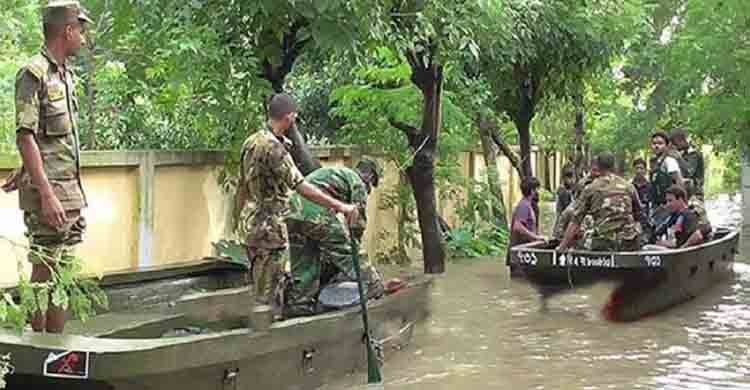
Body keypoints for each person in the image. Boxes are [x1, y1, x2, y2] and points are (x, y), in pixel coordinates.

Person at [237, 93, 359, 320]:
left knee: (258, 288)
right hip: (270, 229)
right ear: (289, 117)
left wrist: (239, 222)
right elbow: (301, 186)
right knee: (269, 296)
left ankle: (258, 333)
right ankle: (267, 342)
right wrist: (341, 206)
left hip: (249, 224)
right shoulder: (274, 148)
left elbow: (242, 187)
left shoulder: (250, 142)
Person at [11, 1, 92, 333]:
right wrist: (45, 193)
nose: (85, 39)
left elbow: (46, 139)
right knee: (44, 276)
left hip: (70, 193)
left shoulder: (66, 75)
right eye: (82, 31)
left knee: (65, 278)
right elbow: (25, 134)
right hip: (51, 197)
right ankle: (36, 355)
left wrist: (24, 169)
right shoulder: (34, 74)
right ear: (67, 31)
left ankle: (57, 351)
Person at [285, 158, 384, 317]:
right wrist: (355, 252)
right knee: (346, 250)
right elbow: (357, 223)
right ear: (370, 176)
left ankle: (299, 304)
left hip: (292, 213)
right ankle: (373, 284)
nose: (369, 188)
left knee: (304, 260)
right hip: (315, 213)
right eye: (372, 184)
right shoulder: (357, 181)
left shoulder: (336, 172)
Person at [557, 152, 642, 252]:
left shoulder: (591, 188)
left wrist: (562, 246)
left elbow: (576, 221)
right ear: (614, 166)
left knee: (577, 243)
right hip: (628, 242)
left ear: (598, 166)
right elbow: (638, 213)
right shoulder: (628, 186)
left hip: (604, 243)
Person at [507, 176, 546, 275]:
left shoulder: (528, 205)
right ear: (532, 191)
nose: (538, 192)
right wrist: (536, 237)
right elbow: (517, 226)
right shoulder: (524, 206)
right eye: (537, 189)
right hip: (519, 254)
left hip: (524, 254)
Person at [649, 131, 687, 207]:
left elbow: (679, 183)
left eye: (660, 143)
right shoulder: (655, 163)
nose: (656, 146)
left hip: (669, 205)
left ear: (667, 145)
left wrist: (683, 205)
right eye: (654, 143)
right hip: (658, 205)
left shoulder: (669, 161)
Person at [670, 128, 705, 200]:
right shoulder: (680, 153)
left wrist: (679, 158)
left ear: (682, 140)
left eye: (675, 142)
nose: (675, 145)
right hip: (680, 194)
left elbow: (689, 171)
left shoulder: (694, 154)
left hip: (694, 195)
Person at [631, 157, 653, 243]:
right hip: (633, 222)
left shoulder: (650, 186)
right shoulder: (630, 187)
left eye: (641, 168)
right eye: (637, 168)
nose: (639, 171)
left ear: (645, 170)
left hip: (647, 221)